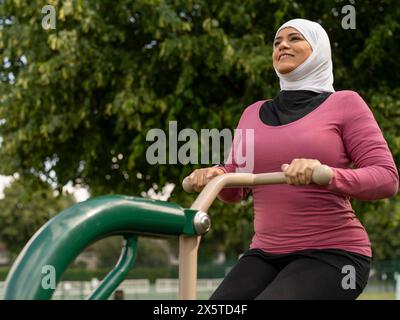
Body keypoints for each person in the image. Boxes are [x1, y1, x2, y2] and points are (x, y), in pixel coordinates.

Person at [186, 18, 399, 300]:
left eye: (295, 38)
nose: (283, 45)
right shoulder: (252, 113)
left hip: (334, 255)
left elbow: (386, 179)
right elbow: (234, 190)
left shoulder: (346, 103)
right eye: (277, 42)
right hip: (265, 253)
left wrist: (327, 175)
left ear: (319, 50)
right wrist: (215, 175)